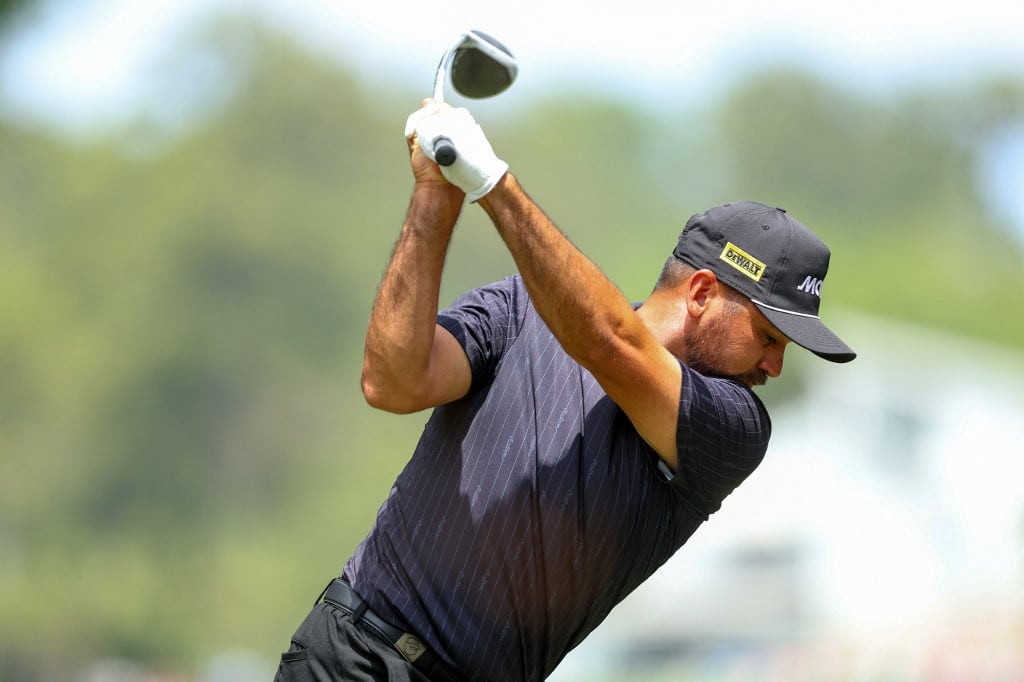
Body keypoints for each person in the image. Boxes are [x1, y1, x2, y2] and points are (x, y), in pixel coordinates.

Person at [274, 101, 856, 682]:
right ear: (702, 292)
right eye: (768, 336)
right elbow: (392, 382)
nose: (775, 366)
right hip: (348, 657)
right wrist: (436, 194)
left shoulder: (735, 428)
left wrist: (492, 183)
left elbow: (610, 344)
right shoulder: (516, 307)